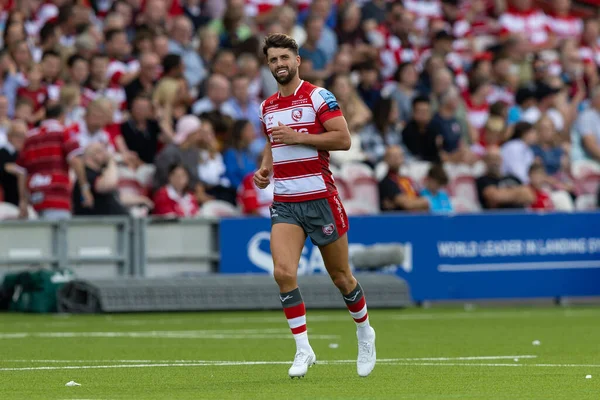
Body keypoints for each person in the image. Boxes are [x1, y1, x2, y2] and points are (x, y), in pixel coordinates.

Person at [253, 33, 375, 379]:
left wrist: (300, 137)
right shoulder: (267, 107)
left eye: (284, 58)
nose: (279, 64)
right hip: (286, 202)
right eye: (273, 59)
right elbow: (272, 142)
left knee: (341, 277)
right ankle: (303, 349)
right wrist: (265, 169)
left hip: (321, 198)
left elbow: (343, 139)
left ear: (297, 60)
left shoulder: (318, 96)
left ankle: (365, 331)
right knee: (283, 273)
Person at [16, 105, 93, 220]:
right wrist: (85, 188)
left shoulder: (30, 136)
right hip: (57, 195)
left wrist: (22, 200)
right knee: (57, 235)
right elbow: (75, 160)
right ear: (62, 116)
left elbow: (21, 171)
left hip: (35, 196)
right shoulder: (64, 132)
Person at [72, 142, 128, 216]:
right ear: (95, 155)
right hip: (95, 225)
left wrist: (142, 200)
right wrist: (111, 162)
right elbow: (108, 185)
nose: (106, 154)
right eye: (102, 151)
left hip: (109, 223)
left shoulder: (99, 174)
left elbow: (117, 198)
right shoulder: (86, 175)